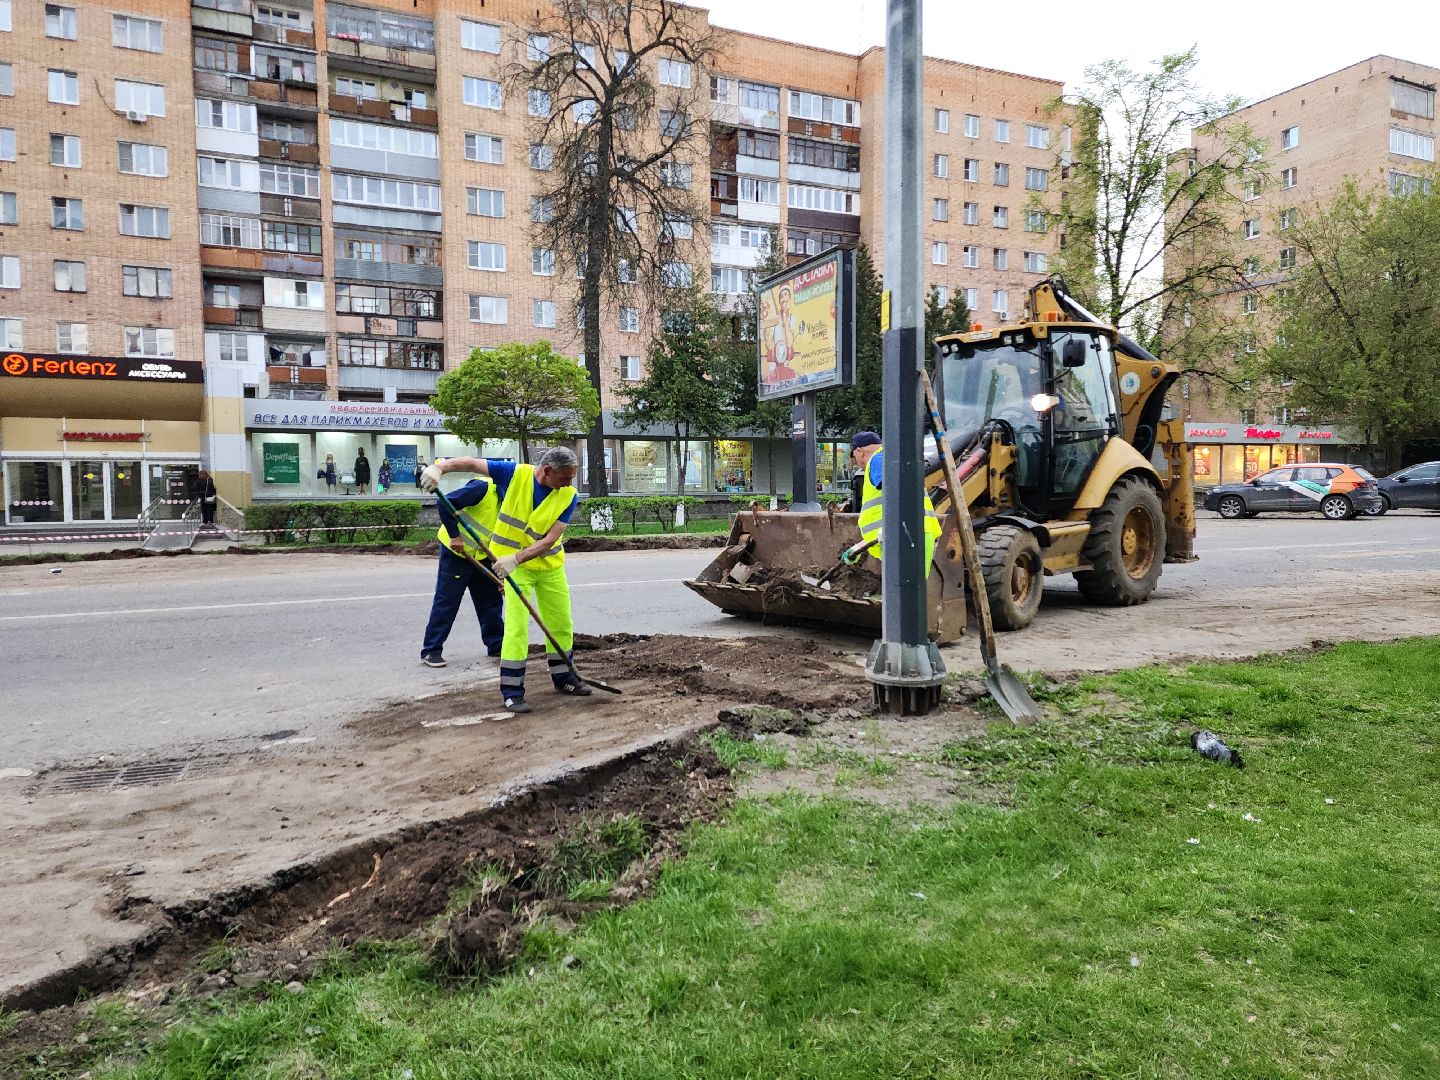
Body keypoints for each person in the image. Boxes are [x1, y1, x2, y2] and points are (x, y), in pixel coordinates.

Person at [422, 447, 587, 713]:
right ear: (547, 471)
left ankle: (565, 679)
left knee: (561, 622)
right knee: (516, 627)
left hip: (548, 566)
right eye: (564, 478)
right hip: (515, 567)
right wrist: (439, 467)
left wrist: (517, 558)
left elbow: (549, 540)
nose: (569, 484)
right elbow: (473, 464)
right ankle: (512, 692)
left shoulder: (569, 495)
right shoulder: (513, 474)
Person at [420, 473, 504, 668]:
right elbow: (445, 503)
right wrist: (455, 536)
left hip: (483, 556)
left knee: (490, 602)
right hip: (456, 553)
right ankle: (431, 650)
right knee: (447, 601)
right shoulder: (482, 488)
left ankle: (496, 644)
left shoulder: (510, 502)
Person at [850, 430, 942, 569]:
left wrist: (890, 527)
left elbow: (896, 488)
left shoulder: (878, 459)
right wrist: (859, 546)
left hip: (903, 536)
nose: (855, 461)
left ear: (859, 451)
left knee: (902, 588)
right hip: (915, 533)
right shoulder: (894, 459)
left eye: (853, 456)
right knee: (914, 589)